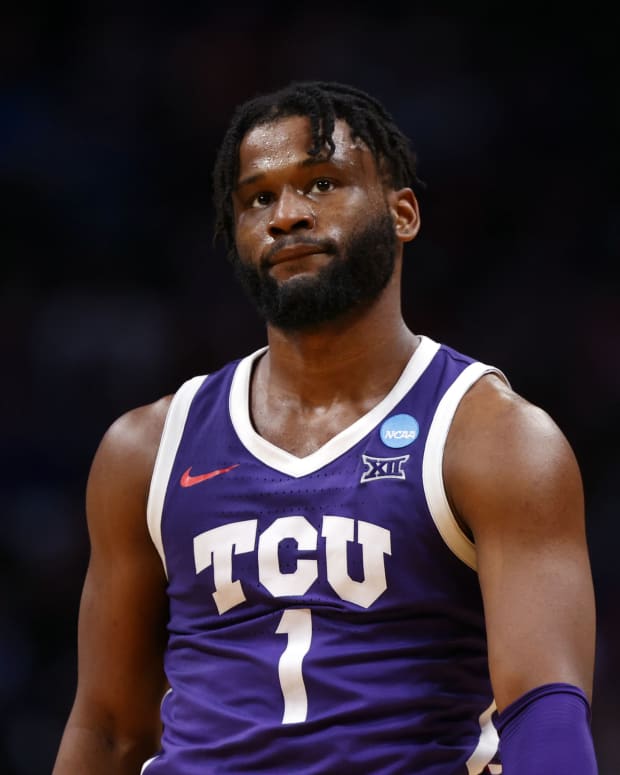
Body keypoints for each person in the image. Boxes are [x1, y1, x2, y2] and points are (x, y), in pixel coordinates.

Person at [53, 81, 598, 774]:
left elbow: (544, 710)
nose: (286, 216)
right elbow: (108, 729)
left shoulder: (495, 437)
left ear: (402, 214)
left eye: (322, 183)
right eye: (259, 198)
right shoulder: (146, 449)